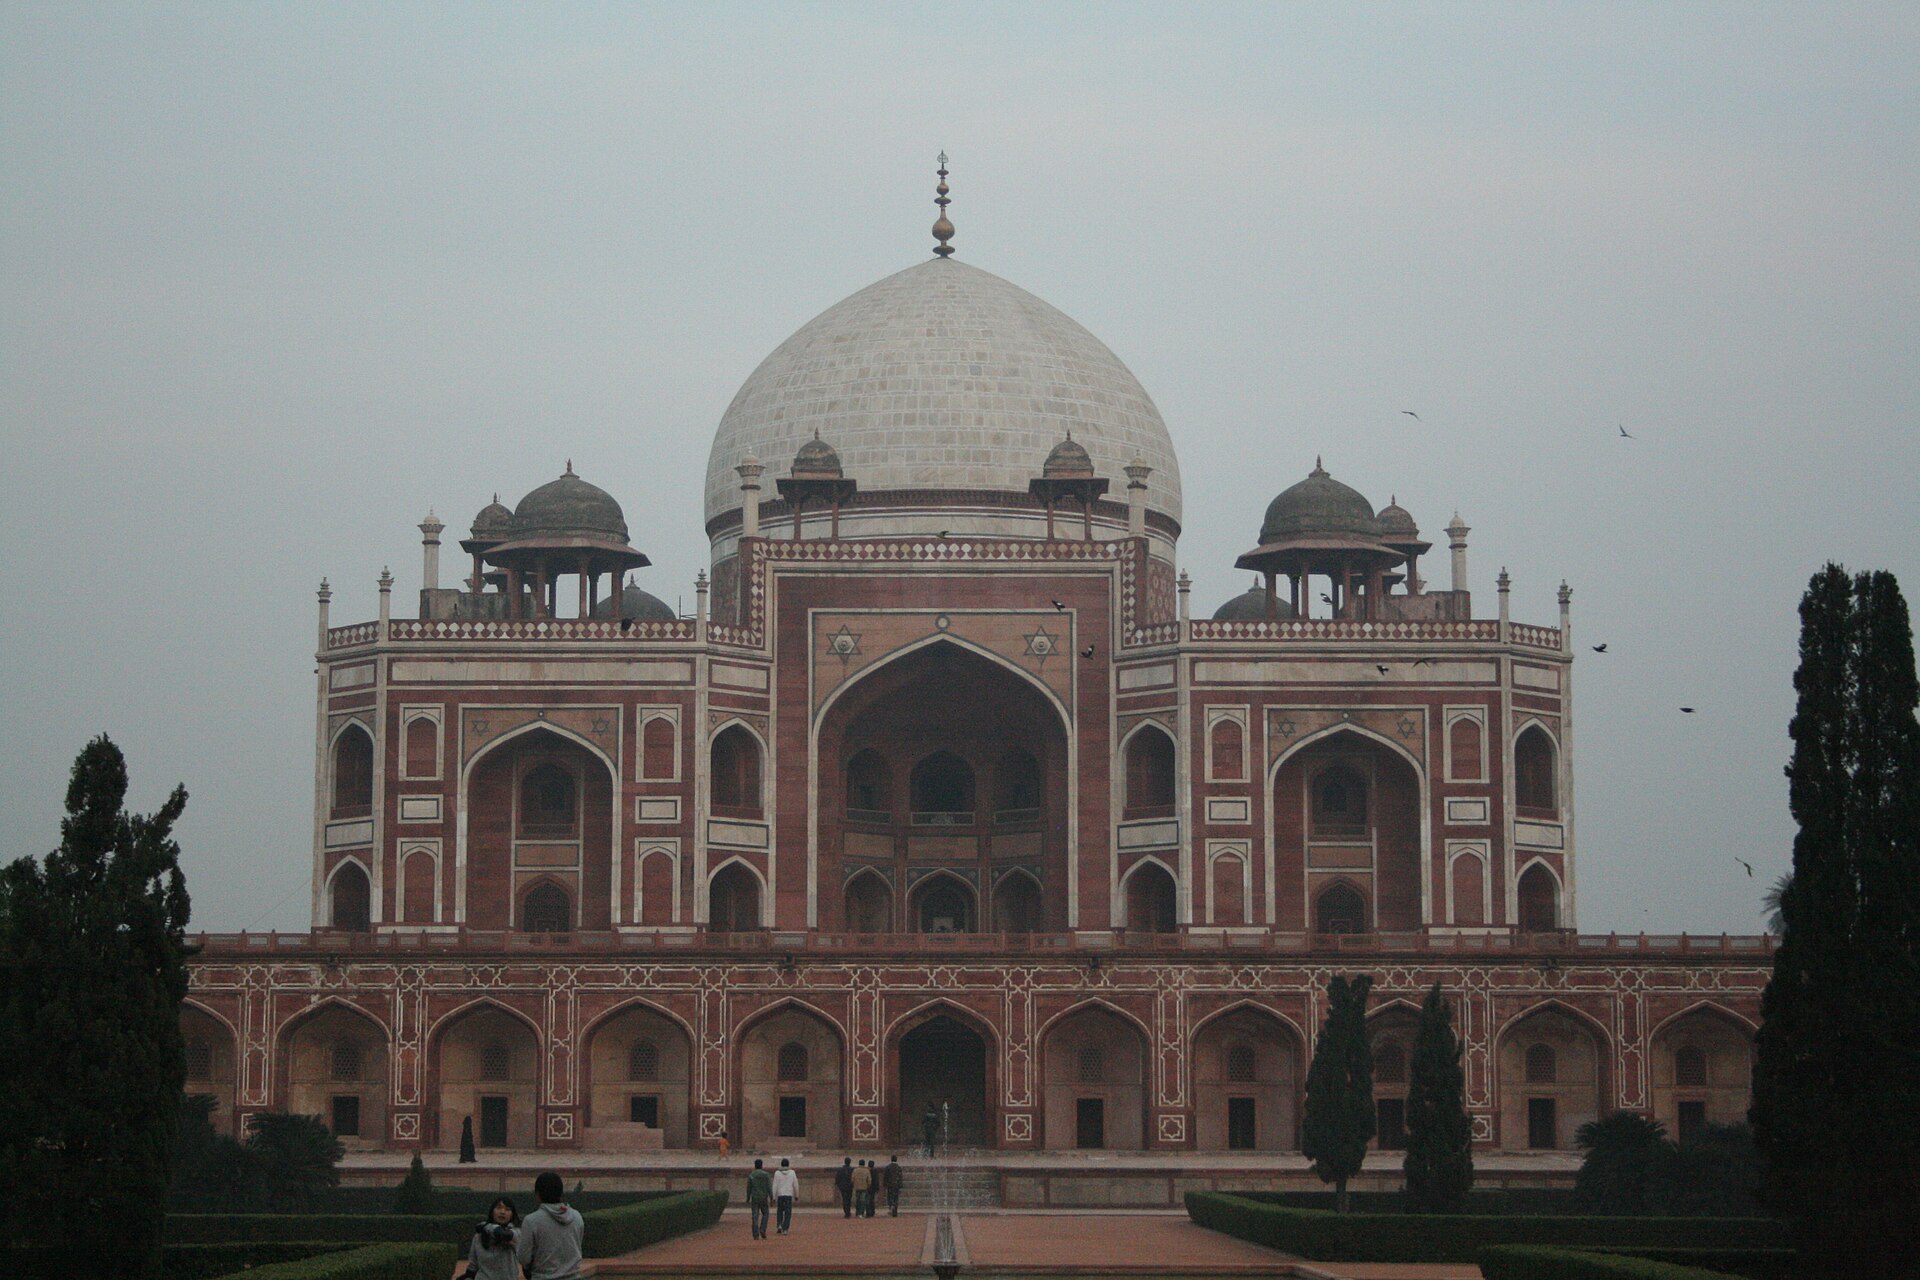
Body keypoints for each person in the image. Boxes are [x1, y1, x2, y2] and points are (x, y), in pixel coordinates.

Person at [515, 1172, 585, 1280]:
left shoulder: (532, 1221)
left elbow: (524, 1258)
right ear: (561, 1193)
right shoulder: (577, 1217)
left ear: (538, 1194)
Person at [463, 1197, 519, 1280]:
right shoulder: (478, 1237)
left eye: (507, 1209)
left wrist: (486, 1226)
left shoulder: (516, 1233)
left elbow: (502, 1234)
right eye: (499, 1208)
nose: (502, 1212)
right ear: (492, 1211)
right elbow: (473, 1266)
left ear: (512, 1215)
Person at [745, 1158, 772, 1240]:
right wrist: (771, 1197)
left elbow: (748, 1188)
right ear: (762, 1165)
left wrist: (748, 1197)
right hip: (764, 1197)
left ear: (755, 1166)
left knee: (755, 1216)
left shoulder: (752, 1175)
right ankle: (763, 1229)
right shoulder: (766, 1175)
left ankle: (755, 1234)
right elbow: (769, 1187)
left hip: (755, 1197)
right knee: (766, 1214)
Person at [771, 1157, 799, 1234]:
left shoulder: (777, 1173)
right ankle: (785, 1229)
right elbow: (795, 1184)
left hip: (780, 1195)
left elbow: (774, 1185)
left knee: (780, 1211)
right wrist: (796, 1195)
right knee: (788, 1212)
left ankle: (779, 1224)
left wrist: (773, 1197)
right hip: (788, 1194)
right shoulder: (792, 1173)